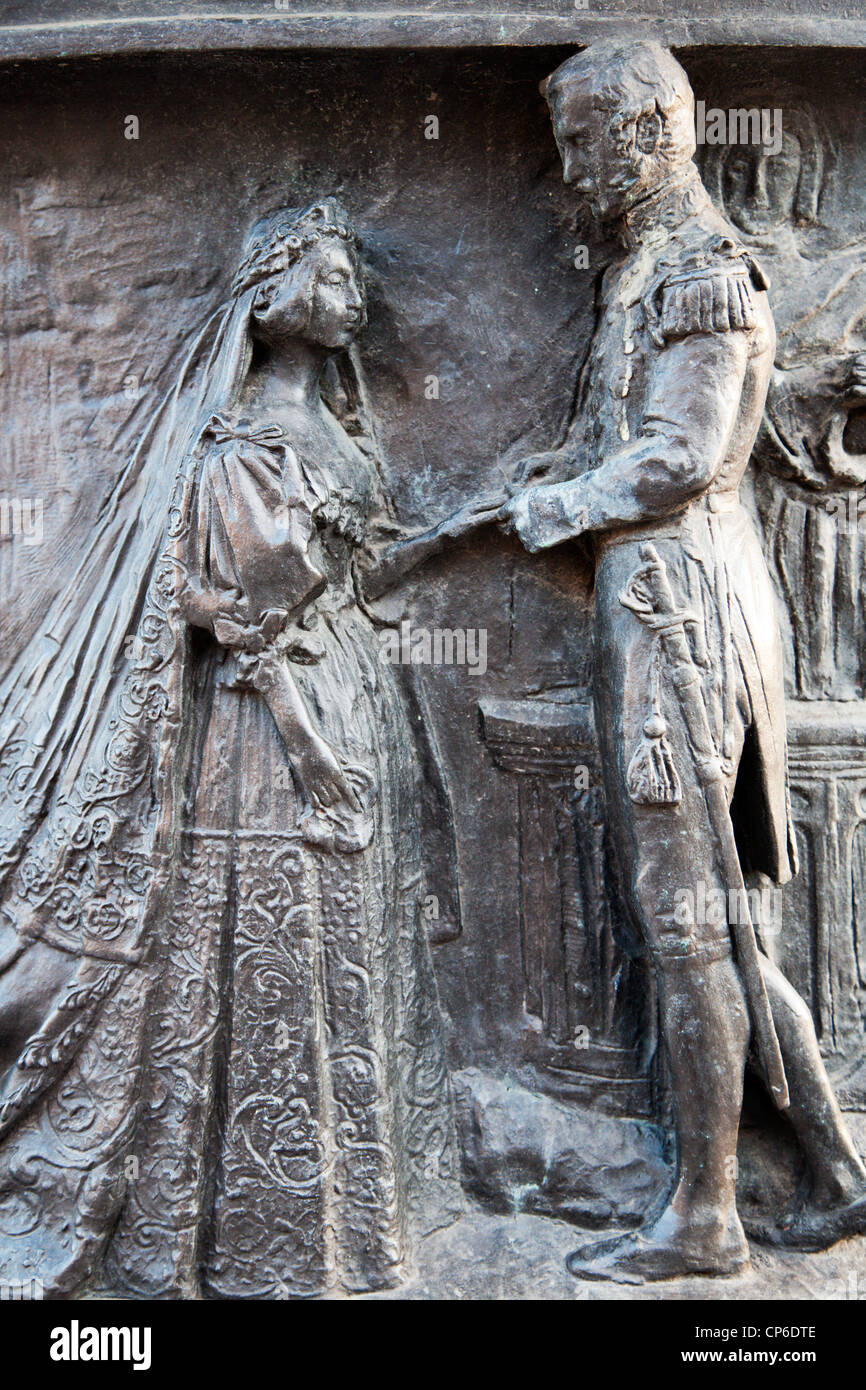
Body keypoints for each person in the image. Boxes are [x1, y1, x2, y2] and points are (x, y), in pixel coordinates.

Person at [0, 199, 461, 1298]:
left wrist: (472, 523)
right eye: (327, 270)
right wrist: (306, 749)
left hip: (348, 700)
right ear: (268, 293)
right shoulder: (242, 439)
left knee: (340, 951)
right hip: (267, 730)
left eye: (356, 270)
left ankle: (345, 1231)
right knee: (268, 945)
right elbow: (242, 625)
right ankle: (243, 1243)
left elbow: (352, 579)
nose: (351, 286)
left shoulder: (335, 434)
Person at [500, 40, 866, 1281]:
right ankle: (834, 1175)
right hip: (659, 611)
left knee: (688, 929)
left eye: (581, 143)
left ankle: (704, 1218)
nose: (567, 171)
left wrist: (559, 511)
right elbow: (626, 441)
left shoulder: (702, 273)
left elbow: (677, 458)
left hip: (680, 624)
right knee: (726, 931)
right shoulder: (644, 272)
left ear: (651, 132)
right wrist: (549, 479)